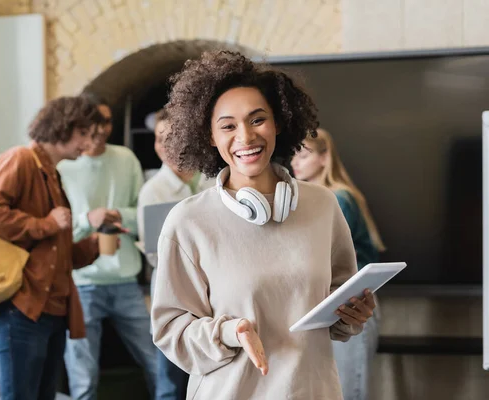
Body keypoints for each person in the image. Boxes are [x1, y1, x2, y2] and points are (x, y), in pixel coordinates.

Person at [150, 50, 377, 400]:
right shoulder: (188, 221)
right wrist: (228, 332)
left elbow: (341, 303)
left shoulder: (322, 205)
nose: (245, 136)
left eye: (257, 120)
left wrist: (353, 314)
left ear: (279, 122)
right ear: (209, 136)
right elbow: (170, 330)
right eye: (227, 126)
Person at [0, 96, 105, 400]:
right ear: (63, 126)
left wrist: (94, 245)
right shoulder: (20, 159)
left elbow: (56, 253)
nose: (88, 142)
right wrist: (45, 224)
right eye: (84, 133)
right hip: (23, 308)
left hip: (53, 310)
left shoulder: (52, 175)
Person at [58, 92, 157, 400]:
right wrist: (89, 218)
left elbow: (142, 215)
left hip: (126, 279)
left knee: (158, 359)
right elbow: (58, 227)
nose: (101, 129)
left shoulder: (126, 158)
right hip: (83, 283)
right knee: (82, 375)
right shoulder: (65, 166)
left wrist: (116, 215)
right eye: (93, 122)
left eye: (106, 121)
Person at [291, 127, 386, 400]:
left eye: (304, 154)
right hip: (336, 307)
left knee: (349, 392)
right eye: (293, 155)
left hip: (352, 307)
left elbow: (318, 256)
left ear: (324, 158)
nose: (295, 161)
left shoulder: (337, 198)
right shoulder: (314, 199)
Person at [137, 108, 212, 400]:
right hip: (171, 283)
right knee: (170, 368)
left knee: (210, 361)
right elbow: (154, 255)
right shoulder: (152, 191)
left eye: (170, 137)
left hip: (214, 283)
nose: (163, 146)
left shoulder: (213, 177)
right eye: (158, 139)